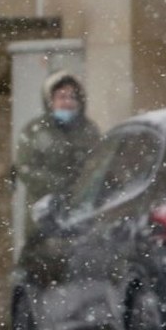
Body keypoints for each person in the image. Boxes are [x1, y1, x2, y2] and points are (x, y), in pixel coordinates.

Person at [14, 70, 103, 220]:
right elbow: (25, 168)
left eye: (72, 97)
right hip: (44, 211)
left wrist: (82, 186)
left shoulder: (89, 130)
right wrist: (59, 185)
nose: (67, 102)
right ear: (50, 101)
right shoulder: (35, 130)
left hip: (82, 210)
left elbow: (99, 163)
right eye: (61, 97)